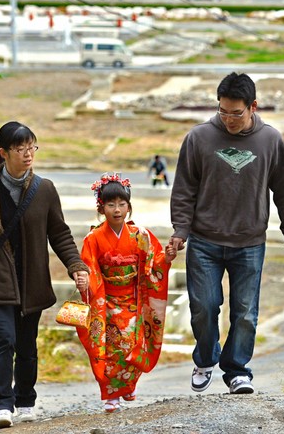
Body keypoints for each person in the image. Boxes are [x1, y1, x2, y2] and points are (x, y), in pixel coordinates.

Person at [0, 121, 90, 429]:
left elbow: (60, 235)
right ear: (4, 153)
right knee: (3, 340)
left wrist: (76, 267)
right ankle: (2, 404)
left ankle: (26, 400)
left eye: (31, 147)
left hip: (32, 281)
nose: (28, 154)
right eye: (20, 149)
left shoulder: (45, 189)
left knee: (27, 346)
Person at [165, 72, 284, 395]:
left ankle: (237, 370)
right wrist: (180, 229)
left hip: (249, 242)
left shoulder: (270, 140)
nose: (228, 119)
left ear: (252, 107)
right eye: (223, 111)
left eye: (236, 113)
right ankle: (206, 358)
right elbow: (184, 189)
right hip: (204, 240)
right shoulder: (199, 138)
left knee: (245, 313)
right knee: (204, 306)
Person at [75, 172, 170, 413]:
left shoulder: (141, 235)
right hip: (105, 300)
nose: (117, 209)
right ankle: (112, 394)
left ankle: (128, 385)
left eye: (121, 204)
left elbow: (153, 262)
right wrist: (85, 279)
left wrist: (165, 258)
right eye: (110, 204)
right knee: (109, 348)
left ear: (129, 206)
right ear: (101, 207)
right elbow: (89, 266)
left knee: (131, 346)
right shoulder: (93, 238)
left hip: (133, 301)